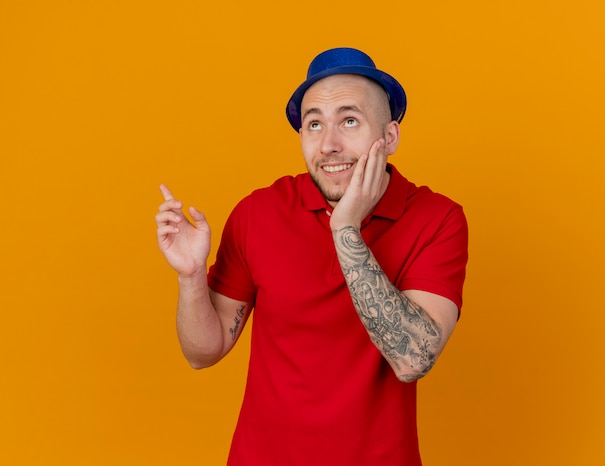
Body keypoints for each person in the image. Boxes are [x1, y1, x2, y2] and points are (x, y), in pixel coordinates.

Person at [156, 47, 468, 465]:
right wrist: (191, 278)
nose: (329, 144)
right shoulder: (258, 213)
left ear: (390, 136)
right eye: (314, 124)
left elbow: (412, 358)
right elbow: (202, 353)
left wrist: (345, 228)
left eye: (350, 121)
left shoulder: (437, 219)